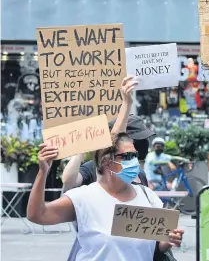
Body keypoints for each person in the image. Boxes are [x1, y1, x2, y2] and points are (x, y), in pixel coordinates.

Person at [27, 77, 184, 261]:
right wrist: (42, 172)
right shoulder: (84, 198)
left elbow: (157, 245)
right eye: (127, 156)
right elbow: (37, 215)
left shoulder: (148, 197)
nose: (133, 161)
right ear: (107, 161)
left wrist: (170, 239)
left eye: (134, 155)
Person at [62, 114, 154, 192]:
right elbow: (69, 181)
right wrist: (81, 149)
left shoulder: (138, 173)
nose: (140, 145)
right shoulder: (94, 168)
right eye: (136, 140)